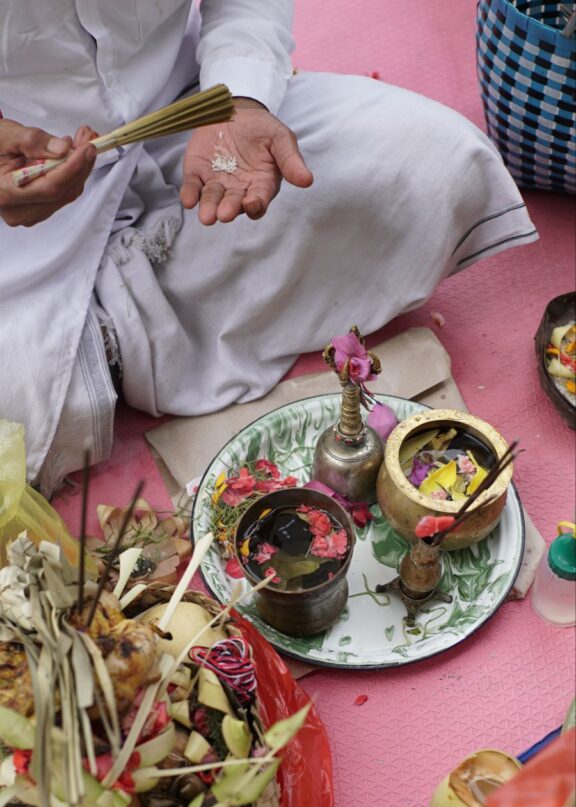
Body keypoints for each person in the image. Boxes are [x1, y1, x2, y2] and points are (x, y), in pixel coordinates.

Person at [0, 1, 538, 495]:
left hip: (187, 120)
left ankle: (108, 343)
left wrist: (240, 97)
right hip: (26, 187)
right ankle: (107, 337)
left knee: (431, 161)